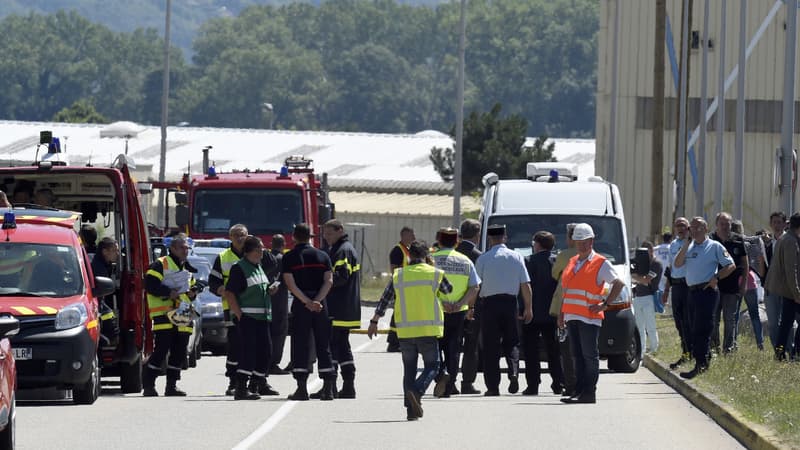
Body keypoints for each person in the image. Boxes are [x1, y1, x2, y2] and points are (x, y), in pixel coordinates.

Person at [367, 241, 453, 421]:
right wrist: (433, 267)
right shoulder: (434, 273)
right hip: (428, 330)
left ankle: (410, 410)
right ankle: (417, 391)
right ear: (427, 255)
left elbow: (385, 299)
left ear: (409, 256)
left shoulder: (399, 275)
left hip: (405, 332)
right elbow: (448, 290)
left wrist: (374, 321)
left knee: (409, 370)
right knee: (433, 365)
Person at [558, 223, 625, 404]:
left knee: (589, 356)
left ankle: (589, 392)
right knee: (577, 356)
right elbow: (566, 290)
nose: (581, 245)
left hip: (589, 318)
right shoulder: (573, 262)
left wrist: (605, 304)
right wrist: (561, 313)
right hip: (572, 316)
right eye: (578, 241)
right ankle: (578, 391)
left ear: (591, 241)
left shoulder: (600, 263)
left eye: (584, 241)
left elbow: (618, 284)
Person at [674, 217, 735, 379]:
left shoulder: (714, 246)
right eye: (691, 228)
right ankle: (703, 359)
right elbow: (677, 264)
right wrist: (686, 244)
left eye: (697, 227)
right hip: (692, 292)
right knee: (692, 327)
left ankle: (701, 364)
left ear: (706, 229)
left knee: (702, 328)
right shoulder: (690, 246)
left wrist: (717, 277)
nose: (693, 230)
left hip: (707, 292)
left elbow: (730, 265)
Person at [475, 224, 533, 397]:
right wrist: (528, 308)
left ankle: (493, 387)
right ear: (505, 238)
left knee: (491, 346)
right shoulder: (516, 257)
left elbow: (476, 286)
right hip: (510, 304)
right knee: (512, 341)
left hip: (490, 305)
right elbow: (525, 285)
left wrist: (471, 306)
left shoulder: (483, 259)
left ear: (490, 239)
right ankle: (513, 371)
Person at [283, 223, 336, 401]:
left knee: (301, 344)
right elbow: (329, 281)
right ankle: (328, 388)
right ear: (310, 237)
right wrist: (317, 301)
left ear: (294, 237)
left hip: (301, 305)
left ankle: (301, 389)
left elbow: (290, 283)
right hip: (321, 305)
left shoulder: (289, 257)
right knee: (323, 344)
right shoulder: (323, 255)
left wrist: (306, 302)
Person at [223, 236, 278, 399]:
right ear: (249, 252)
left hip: (263, 318)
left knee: (266, 353)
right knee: (248, 353)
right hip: (248, 319)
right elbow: (229, 294)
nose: (263, 252)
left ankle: (255, 383)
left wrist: (269, 290)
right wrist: (240, 315)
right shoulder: (239, 268)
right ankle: (241, 388)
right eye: (259, 249)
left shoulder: (258, 267)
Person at [143, 234, 197, 396]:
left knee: (180, 350)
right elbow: (150, 285)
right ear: (172, 248)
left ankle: (171, 386)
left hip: (183, 312)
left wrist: (193, 293)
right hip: (164, 313)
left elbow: (190, 288)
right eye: (182, 247)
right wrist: (168, 292)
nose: (185, 251)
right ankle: (149, 385)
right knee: (161, 349)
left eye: (187, 248)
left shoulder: (186, 267)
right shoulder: (161, 264)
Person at [431, 227, 480, 398]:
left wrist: (442, 302)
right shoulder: (465, 260)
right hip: (459, 312)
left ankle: (439, 376)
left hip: (436, 310)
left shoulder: (431, 260)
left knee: (435, 347)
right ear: (457, 242)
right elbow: (474, 287)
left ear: (439, 241)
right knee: (453, 349)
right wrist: (460, 303)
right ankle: (450, 385)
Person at [321, 219, 361, 399]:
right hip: (345, 308)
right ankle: (344, 386)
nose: (326, 237)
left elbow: (341, 277)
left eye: (329, 233)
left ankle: (334, 386)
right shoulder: (343, 248)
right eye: (325, 233)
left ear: (340, 231)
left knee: (336, 347)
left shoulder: (342, 250)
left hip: (339, 307)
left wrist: (322, 281)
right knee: (341, 347)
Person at [209, 224, 250, 396]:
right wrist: (222, 290)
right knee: (235, 345)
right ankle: (233, 381)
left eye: (242, 235)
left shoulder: (255, 253)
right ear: (230, 237)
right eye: (235, 235)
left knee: (253, 344)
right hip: (231, 308)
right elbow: (213, 282)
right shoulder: (223, 257)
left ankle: (256, 381)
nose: (239, 238)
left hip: (252, 306)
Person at [522, 231, 564, 396]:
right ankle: (558, 383)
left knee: (531, 351)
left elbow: (524, 287)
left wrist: (523, 309)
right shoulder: (557, 261)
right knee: (554, 350)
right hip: (552, 312)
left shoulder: (529, 261)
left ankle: (533, 384)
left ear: (537, 244)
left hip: (532, 312)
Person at [710, 212, 748, 354]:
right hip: (714, 287)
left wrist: (743, 284)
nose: (725, 226)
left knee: (730, 319)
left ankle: (728, 348)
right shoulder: (710, 239)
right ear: (717, 224)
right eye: (722, 223)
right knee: (713, 319)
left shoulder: (737, 239)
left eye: (728, 224)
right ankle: (714, 347)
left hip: (732, 288)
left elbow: (745, 263)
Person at [764, 213, 800, 361]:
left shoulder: (786, 238)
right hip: (789, 290)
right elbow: (792, 270)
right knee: (786, 324)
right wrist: (797, 293)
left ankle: (780, 353)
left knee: (785, 324)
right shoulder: (791, 241)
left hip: (785, 289)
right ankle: (796, 353)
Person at [455, 218, 483, 395]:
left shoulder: (452, 253)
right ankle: (467, 383)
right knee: (471, 347)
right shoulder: (479, 256)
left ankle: (449, 381)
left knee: (452, 345)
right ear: (477, 235)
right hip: (472, 307)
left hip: (451, 306)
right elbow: (478, 285)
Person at [550, 223, 578, 397]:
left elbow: (554, 273)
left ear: (570, 238)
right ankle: (585, 384)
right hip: (587, 310)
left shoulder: (565, 255)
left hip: (565, 308)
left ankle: (570, 385)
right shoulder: (594, 256)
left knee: (566, 349)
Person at [661, 217, 693, 370]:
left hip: (688, 286)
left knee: (688, 321)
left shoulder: (693, 243)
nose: (680, 228)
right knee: (678, 322)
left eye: (683, 225)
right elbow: (670, 269)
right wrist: (666, 290)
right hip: (676, 286)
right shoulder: (673, 245)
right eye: (677, 226)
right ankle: (685, 351)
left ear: (688, 228)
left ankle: (690, 353)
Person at [386, 226, 416, 352]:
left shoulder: (408, 250)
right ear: (403, 236)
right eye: (411, 235)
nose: (414, 237)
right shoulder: (397, 251)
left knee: (402, 314)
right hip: (401, 286)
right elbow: (394, 269)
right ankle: (393, 342)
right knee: (398, 314)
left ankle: (398, 341)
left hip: (407, 287)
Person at [631, 241, 662, 356]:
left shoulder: (656, 263)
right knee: (639, 327)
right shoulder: (640, 263)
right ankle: (641, 351)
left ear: (651, 250)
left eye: (646, 251)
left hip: (649, 296)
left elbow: (646, 280)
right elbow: (640, 279)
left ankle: (654, 349)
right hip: (638, 297)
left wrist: (635, 277)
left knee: (651, 326)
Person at [91, 237, 121, 349]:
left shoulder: (103, 264)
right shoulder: (99, 268)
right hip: (97, 305)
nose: (118, 254)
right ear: (105, 252)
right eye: (114, 250)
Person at [268, 234, 290, 375]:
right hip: (280, 302)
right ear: (284, 244)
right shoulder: (284, 260)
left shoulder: (265, 258)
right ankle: (274, 363)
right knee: (279, 333)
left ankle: (265, 361)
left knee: (268, 333)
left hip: (266, 302)